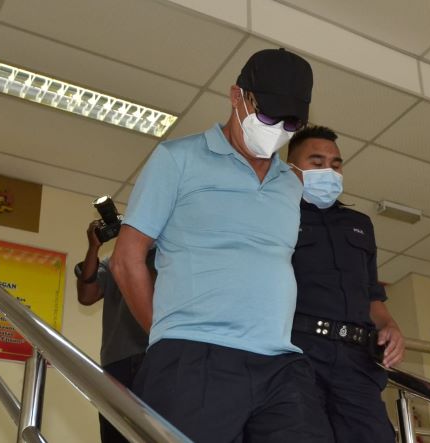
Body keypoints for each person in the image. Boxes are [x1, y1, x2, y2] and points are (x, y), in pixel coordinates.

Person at [110, 49, 333, 443]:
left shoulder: (290, 184)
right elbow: (126, 260)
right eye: (269, 116)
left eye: (291, 123)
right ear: (237, 97)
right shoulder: (177, 158)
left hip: (282, 364)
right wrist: (167, 336)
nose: (278, 129)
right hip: (194, 354)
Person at [287, 125, 405, 443]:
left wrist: (389, 324)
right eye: (316, 163)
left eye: (335, 165)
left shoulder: (359, 224)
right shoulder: (277, 214)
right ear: (291, 168)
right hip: (299, 352)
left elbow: (371, 293)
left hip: (356, 358)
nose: (328, 171)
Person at [74, 220, 155, 443]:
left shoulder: (167, 258)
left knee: (151, 433)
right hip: (115, 362)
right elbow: (86, 295)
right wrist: (93, 247)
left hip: (152, 358)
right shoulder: (114, 261)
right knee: (113, 433)